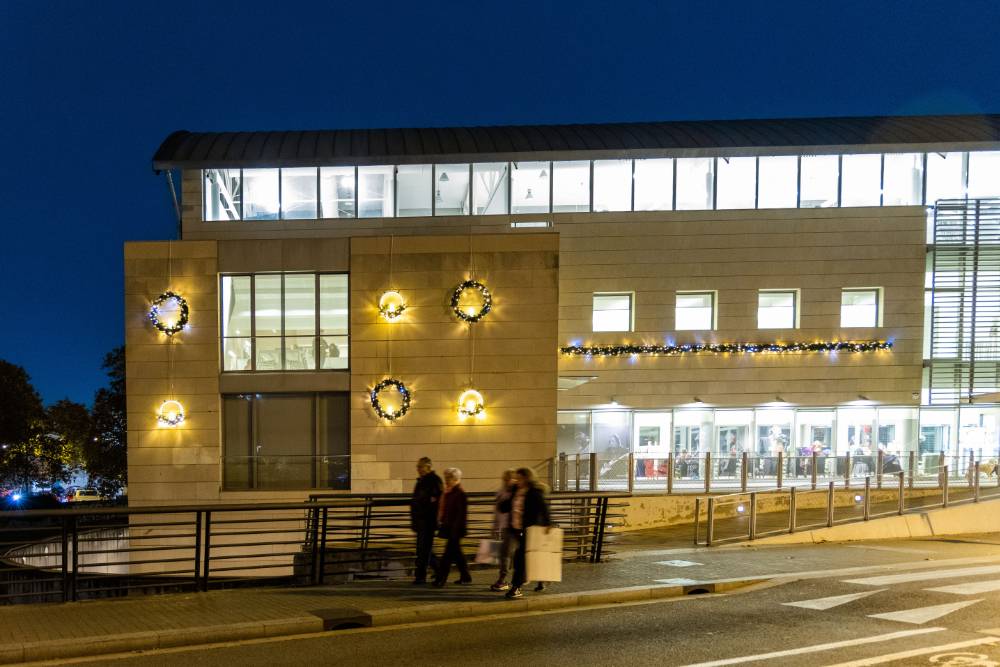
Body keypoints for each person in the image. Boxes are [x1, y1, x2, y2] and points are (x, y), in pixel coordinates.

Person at [499, 467, 551, 600]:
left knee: (520, 559)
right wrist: (504, 499)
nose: (516, 480)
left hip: (530, 530)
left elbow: (544, 509)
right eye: (516, 478)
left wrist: (548, 524)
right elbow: (506, 507)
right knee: (529, 558)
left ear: (527, 478)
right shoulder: (516, 490)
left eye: (519, 478)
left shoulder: (534, 492)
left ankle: (516, 587)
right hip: (516, 529)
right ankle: (541, 580)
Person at [434, 467, 471, 586]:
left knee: (447, 556)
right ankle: (466, 576)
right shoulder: (450, 491)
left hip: (455, 529)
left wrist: (454, 530)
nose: (445, 480)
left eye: (448, 478)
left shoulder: (459, 493)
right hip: (450, 527)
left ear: (455, 479)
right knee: (457, 554)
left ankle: (441, 579)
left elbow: (460, 515)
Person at [410, 457, 443, 585]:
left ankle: (421, 576)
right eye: (418, 467)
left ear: (428, 467)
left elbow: (437, 500)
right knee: (425, 548)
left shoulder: (434, 480)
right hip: (421, 520)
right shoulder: (422, 481)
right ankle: (439, 571)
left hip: (428, 520)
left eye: (420, 467)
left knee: (423, 549)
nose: (418, 469)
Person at [490, 469, 517, 591]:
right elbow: (497, 511)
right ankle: (504, 578)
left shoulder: (516, 492)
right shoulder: (501, 492)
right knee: (506, 554)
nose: (506, 481)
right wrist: (495, 526)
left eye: (509, 478)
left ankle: (503, 579)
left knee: (506, 554)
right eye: (505, 479)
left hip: (513, 527)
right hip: (505, 527)